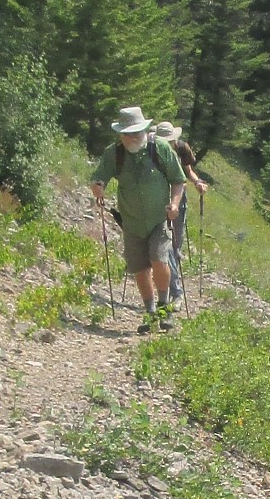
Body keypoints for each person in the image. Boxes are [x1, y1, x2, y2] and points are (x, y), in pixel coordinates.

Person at [89, 106, 186, 332]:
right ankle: (150, 313)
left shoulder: (160, 149)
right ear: (120, 134)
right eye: (128, 133)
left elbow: (178, 180)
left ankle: (164, 308)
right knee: (140, 269)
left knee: (160, 259)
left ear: (144, 130)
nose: (133, 137)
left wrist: (174, 204)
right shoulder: (114, 154)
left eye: (137, 132)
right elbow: (98, 178)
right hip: (131, 221)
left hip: (159, 219)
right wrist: (98, 187)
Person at [150, 122, 209, 308]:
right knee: (165, 247)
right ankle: (174, 293)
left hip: (177, 200)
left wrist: (197, 182)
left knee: (174, 247)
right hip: (158, 199)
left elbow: (188, 171)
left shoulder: (182, 148)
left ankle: (172, 293)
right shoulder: (151, 149)